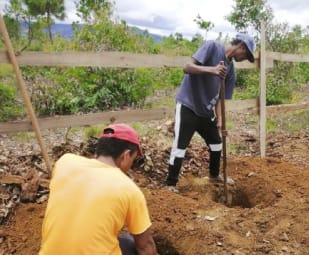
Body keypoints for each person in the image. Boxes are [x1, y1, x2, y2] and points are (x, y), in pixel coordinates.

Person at [39, 123, 158, 255]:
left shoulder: (65, 163)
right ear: (125, 155)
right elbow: (145, 247)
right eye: (133, 159)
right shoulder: (128, 189)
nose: (130, 165)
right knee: (131, 243)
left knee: (122, 241)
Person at [166, 33, 255, 192]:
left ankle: (214, 176)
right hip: (189, 105)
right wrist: (212, 70)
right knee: (180, 146)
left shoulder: (230, 71)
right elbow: (187, 67)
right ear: (240, 46)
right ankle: (171, 184)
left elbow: (221, 98)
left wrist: (220, 119)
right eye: (246, 54)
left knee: (216, 144)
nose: (244, 58)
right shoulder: (212, 47)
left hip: (206, 113)